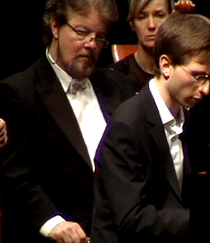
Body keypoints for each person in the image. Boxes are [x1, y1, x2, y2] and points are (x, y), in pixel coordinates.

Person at [0, 0, 135, 242]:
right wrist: (53, 224)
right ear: (55, 26)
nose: (91, 45)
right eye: (82, 33)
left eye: (100, 37)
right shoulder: (19, 91)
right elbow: (15, 176)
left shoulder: (119, 85)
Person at [91, 12, 210, 241]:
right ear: (166, 65)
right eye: (198, 76)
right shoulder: (128, 125)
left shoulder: (187, 116)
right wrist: (202, 219)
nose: (206, 89)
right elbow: (132, 219)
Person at [113, 0, 173, 93]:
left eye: (159, 16)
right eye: (142, 17)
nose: (151, 25)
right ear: (132, 24)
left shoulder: (181, 71)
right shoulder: (117, 75)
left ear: (171, 20)